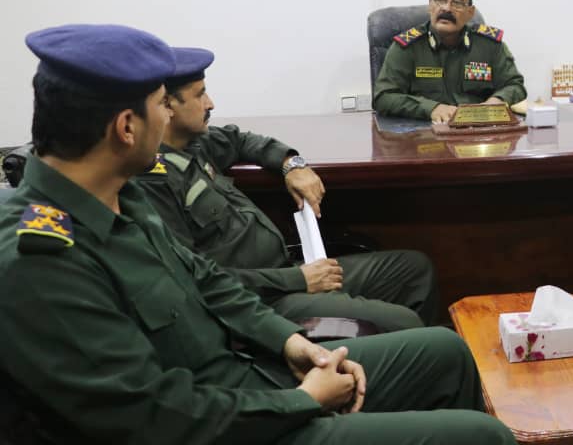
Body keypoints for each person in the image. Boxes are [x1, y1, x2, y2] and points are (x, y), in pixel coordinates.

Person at [0, 23, 516, 445]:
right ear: (126, 128)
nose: (168, 116)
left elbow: (206, 280)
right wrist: (304, 401)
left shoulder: (119, 193)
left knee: (444, 352)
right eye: (161, 104)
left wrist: (292, 344)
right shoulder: (41, 260)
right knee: (482, 436)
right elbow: (149, 415)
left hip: (249, 371)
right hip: (226, 423)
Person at [134, 46, 438, 332]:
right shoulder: (154, 181)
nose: (210, 103)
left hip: (288, 272)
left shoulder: (194, 143)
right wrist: (296, 279)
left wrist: (292, 164)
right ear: (167, 105)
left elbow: (242, 140)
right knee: (404, 321)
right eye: (200, 95)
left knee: (413, 271)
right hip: (259, 301)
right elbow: (193, 278)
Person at [373, 0, 528, 123]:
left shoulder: (489, 45)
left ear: (470, 13)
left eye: (457, 3)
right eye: (440, 0)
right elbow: (383, 97)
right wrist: (431, 108)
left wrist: (497, 101)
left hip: (478, 130)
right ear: (430, 5)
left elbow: (514, 85)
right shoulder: (408, 47)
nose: (446, 8)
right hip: (424, 131)